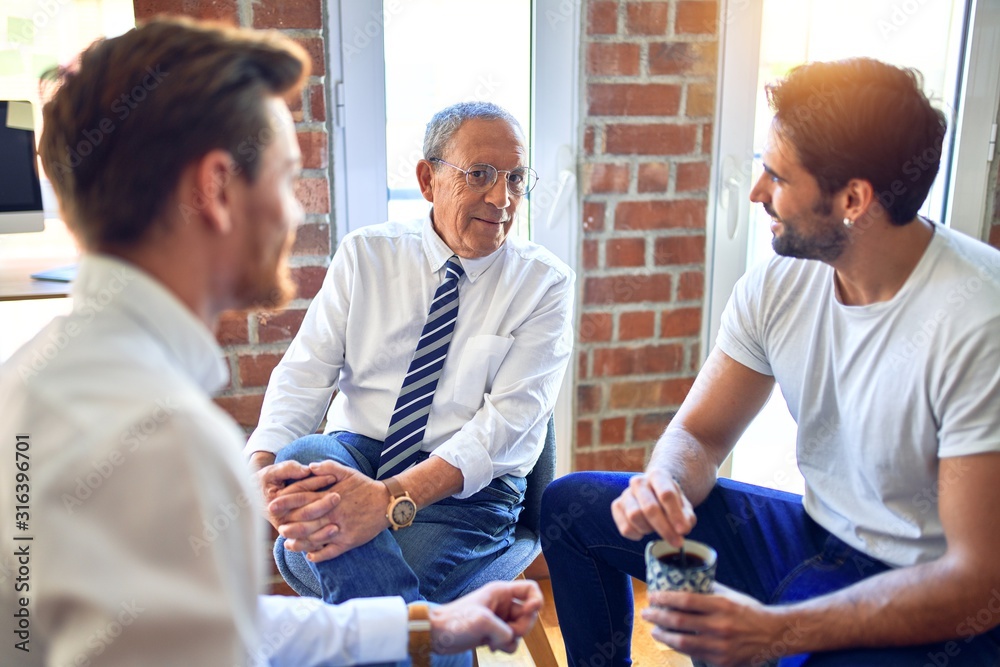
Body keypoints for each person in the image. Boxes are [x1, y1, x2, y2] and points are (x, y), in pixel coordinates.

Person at [0, 17, 543, 667]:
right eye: (288, 179)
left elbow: (213, 626)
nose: (296, 211)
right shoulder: (163, 437)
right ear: (217, 189)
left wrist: (427, 627)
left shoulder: (38, 379)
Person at [541, 57, 1000, 667]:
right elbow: (700, 436)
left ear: (854, 200)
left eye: (777, 176)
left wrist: (778, 631)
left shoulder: (978, 321)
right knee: (570, 510)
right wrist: (666, 484)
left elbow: (980, 582)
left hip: (929, 590)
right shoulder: (782, 282)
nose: (757, 191)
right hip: (810, 535)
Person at [245, 101, 574, 606]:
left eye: (515, 178)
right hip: (358, 454)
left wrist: (386, 500)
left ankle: (390, 637)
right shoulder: (365, 255)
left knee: (322, 552)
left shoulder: (544, 284)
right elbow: (305, 374)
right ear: (427, 180)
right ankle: (418, 642)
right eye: (480, 174)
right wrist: (264, 472)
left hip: (468, 491)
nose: (502, 197)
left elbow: (509, 424)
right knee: (301, 459)